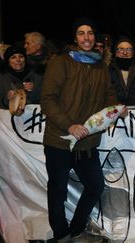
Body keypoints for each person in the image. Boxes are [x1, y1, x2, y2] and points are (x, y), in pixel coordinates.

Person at [40, 17, 121, 243]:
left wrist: (116, 109)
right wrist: (69, 125)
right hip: (60, 141)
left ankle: (76, 228)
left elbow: (109, 95)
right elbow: (47, 100)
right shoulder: (61, 62)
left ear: (95, 37)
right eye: (81, 33)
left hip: (87, 143)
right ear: (75, 38)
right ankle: (61, 234)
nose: (86, 37)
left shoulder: (100, 66)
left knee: (95, 186)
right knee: (58, 190)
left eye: (90, 33)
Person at [109, 36, 135, 104]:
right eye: (121, 49)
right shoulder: (109, 70)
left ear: (133, 52)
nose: (125, 53)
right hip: (114, 109)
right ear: (116, 52)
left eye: (128, 49)